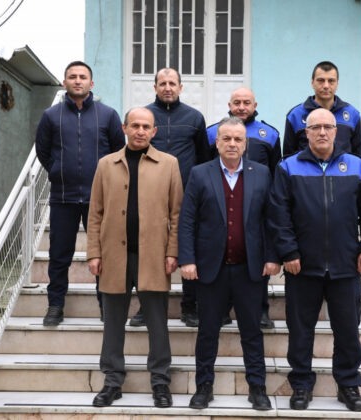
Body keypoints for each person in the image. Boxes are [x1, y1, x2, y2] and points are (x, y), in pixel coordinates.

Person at [269, 108, 361, 412]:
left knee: (348, 329)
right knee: (300, 330)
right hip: (302, 266)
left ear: (336, 131)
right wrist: (289, 252)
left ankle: (348, 385)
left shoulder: (357, 166)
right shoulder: (288, 167)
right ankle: (301, 385)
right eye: (315, 127)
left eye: (327, 127)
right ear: (306, 132)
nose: (321, 132)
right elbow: (279, 215)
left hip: (346, 266)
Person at [179, 117, 280, 410]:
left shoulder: (262, 173)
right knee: (207, 331)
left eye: (238, 139)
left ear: (245, 144)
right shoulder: (199, 173)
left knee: (252, 332)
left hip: (250, 269)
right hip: (211, 269)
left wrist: (273, 256)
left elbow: (271, 219)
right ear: (217, 142)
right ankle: (204, 387)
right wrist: (187, 259)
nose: (232, 144)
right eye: (227, 138)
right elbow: (187, 220)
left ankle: (257, 388)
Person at [86, 107, 183, 408]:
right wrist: (93, 252)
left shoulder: (169, 164)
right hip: (114, 256)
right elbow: (95, 213)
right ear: (124, 128)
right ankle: (112, 381)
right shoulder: (106, 164)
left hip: (153, 256)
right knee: (113, 322)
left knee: (157, 322)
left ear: (155, 131)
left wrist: (173, 251)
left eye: (146, 126)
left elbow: (177, 214)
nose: (140, 131)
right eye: (135, 125)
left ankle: (160, 381)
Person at [35, 61, 125, 327]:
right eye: (72, 77)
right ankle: (55, 306)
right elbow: (43, 151)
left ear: (91, 83)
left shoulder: (108, 115)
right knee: (59, 254)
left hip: (100, 198)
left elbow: (118, 151)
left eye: (82, 77)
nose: (77, 81)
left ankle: (106, 305)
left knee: (103, 253)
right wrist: (57, 170)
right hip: (63, 197)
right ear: (64, 83)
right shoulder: (51, 116)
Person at [129, 67, 210, 328]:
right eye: (162, 83)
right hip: (148, 196)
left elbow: (203, 159)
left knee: (189, 249)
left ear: (180, 87)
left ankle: (190, 306)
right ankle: (146, 307)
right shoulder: (143, 116)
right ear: (154, 87)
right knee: (148, 251)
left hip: (187, 195)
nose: (167, 88)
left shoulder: (194, 118)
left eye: (172, 83)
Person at [206, 87, 281, 329]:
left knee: (255, 260)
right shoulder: (212, 132)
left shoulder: (270, 134)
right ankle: (222, 310)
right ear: (229, 104)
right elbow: (205, 167)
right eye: (236, 102)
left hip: (256, 205)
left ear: (254, 105)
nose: (241, 107)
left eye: (246, 102)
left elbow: (275, 171)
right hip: (222, 202)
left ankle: (261, 311)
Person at [283, 61, 361, 158]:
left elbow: (356, 157)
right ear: (312, 83)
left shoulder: (352, 114)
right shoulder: (295, 115)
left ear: (337, 84)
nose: (326, 86)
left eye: (331, 81)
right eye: (321, 80)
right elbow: (288, 157)